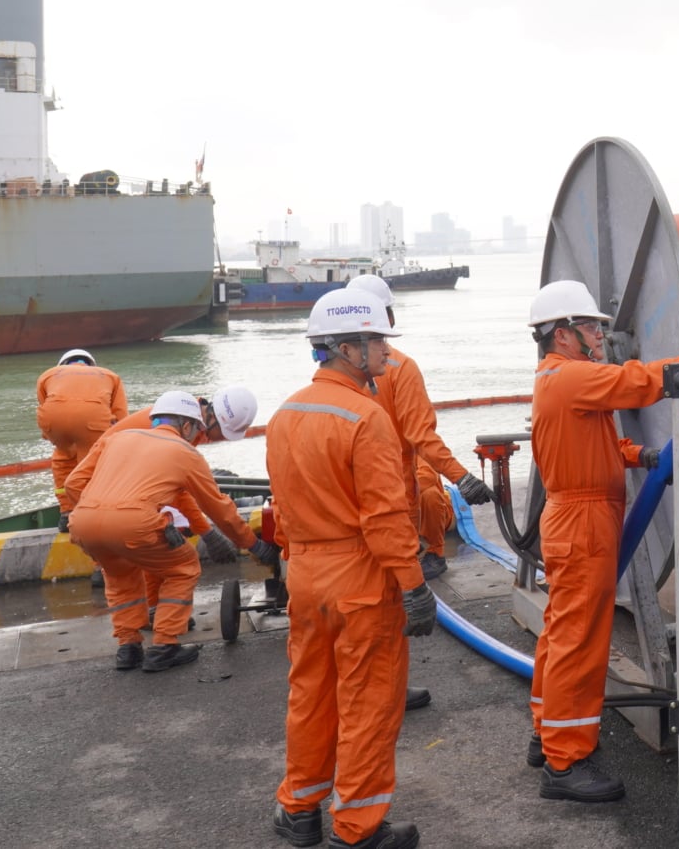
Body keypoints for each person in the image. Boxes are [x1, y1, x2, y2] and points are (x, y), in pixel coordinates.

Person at [524, 278, 679, 802]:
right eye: (589, 327)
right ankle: (565, 763)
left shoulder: (559, 380)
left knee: (562, 634)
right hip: (582, 522)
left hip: (576, 518)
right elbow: (642, 381)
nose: (599, 336)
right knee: (579, 642)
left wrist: (638, 456)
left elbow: (592, 441)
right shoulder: (572, 376)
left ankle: (548, 733)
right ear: (561, 334)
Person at [266, 288, 432, 849]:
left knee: (310, 695)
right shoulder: (367, 417)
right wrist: (413, 585)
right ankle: (357, 828)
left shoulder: (286, 413)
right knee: (367, 703)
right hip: (361, 580)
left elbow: (282, 507)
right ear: (347, 349)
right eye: (377, 340)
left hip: (306, 574)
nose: (386, 350)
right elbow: (384, 517)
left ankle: (300, 809)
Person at [68, 391, 271, 673]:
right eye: (199, 430)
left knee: (120, 575)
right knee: (183, 567)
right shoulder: (185, 452)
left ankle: (128, 647)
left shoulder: (117, 438)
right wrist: (253, 544)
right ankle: (164, 645)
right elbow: (219, 509)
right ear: (188, 425)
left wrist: (97, 513)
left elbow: (73, 482)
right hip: (134, 521)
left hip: (83, 523)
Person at [346, 274, 494, 582]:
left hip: (354, 493)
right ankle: (427, 558)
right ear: (388, 318)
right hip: (393, 488)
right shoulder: (400, 368)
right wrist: (462, 477)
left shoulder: (327, 381)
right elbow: (421, 435)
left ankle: (433, 552)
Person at [59, 384, 261, 567]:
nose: (223, 439)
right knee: (181, 566)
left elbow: (173, 485)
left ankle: (110, 566)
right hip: (119, 502)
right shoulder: (181, 430)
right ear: (213, 421)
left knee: (128, 576)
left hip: (102, 505)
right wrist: (209, 532)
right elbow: (191, 495)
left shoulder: (181, 417)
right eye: (225, 434)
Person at [35, 348, 128, 508]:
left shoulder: (48, 374)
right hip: (93, 422)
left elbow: (45, 406)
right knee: (93, 462)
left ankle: (67, 510)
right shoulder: (110, 376)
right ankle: (92, 506)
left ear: (62, 364)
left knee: (63, 459)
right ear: (91, 364)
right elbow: (120, 414)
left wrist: (49, 434)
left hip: (54, 423)